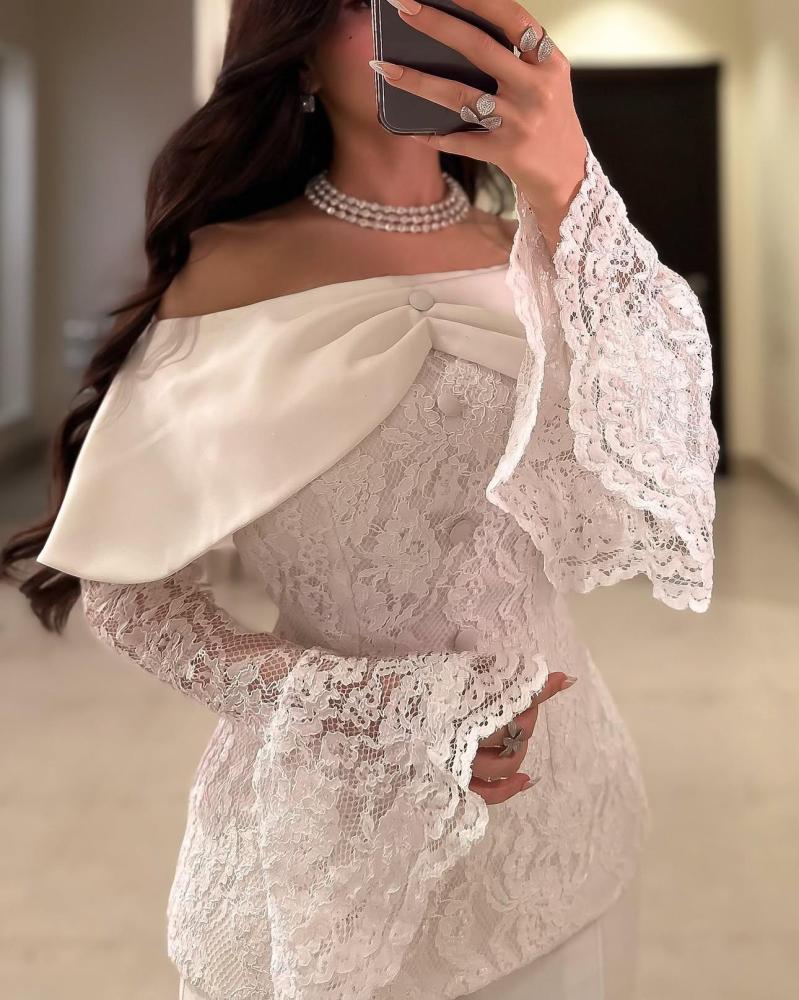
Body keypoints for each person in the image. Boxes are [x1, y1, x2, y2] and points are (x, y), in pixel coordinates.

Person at [1, 1, 720, 998]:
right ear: (294, 56)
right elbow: (132, 596)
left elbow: (665, 472)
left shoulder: (556, 256)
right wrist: (383, 713)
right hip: (325, 821)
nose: (403, 16)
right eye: (357, 1)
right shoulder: (227, 270)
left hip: (556, 823)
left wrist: (567, 186)